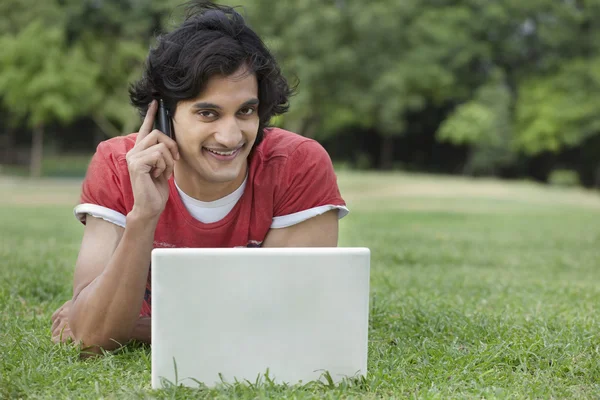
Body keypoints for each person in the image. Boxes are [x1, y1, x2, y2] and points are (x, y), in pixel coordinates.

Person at [50, 2, 348, 355]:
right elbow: (90, 339)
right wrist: (143, 216)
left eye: (246, 111)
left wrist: (138, 326)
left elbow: (288, 318)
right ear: (164, 115)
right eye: (208, 113)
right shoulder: (117, 164)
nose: (230, 136)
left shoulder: (297, 164)